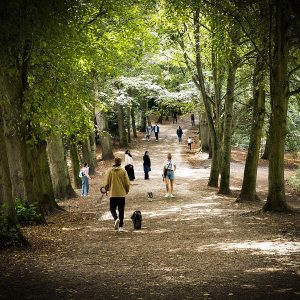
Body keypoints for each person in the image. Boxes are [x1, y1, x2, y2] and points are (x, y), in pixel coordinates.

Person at [104, 157, 130, 232]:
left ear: (114, 162)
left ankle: (116, 218)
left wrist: (106, 189)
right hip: (121, 193)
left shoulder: (110, 171)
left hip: (113, 193)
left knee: (112, 208)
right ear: (120, 162)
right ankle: (121, 226)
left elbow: (106, 182)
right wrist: (127, 190)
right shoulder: (123, 171)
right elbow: (127, 182)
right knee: (121, 210)